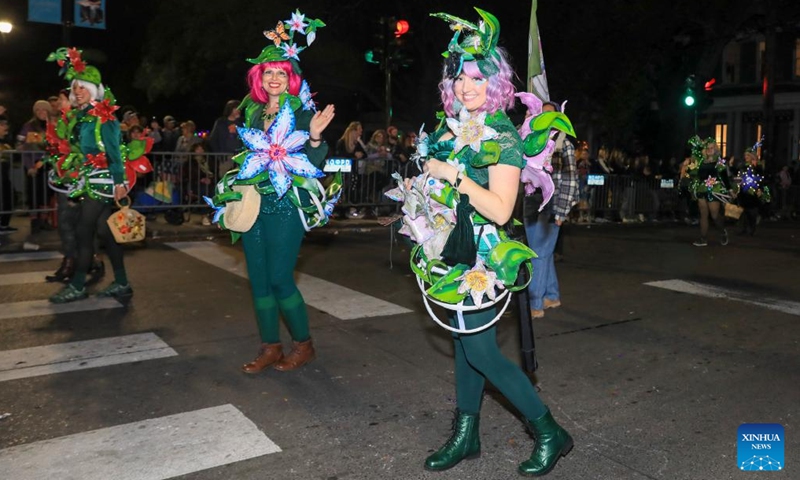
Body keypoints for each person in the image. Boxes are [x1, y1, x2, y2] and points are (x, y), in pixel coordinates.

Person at [399, 9, 573, 476]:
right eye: (458, 77)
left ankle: (549, 431)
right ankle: (467, 433)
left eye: (476, 77)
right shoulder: (451, 128)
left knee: (480, 351)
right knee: (462, 345)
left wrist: (454, 176)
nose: (465, 86)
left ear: (494, 83)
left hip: (485, 255)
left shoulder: (499, 136)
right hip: (449, 249)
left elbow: (499, 210)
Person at [205, 11, 336, 373]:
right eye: (269, 72)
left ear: (290, 78)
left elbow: (314, 160)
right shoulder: (252, 111)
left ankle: (304, 344)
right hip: (253, 202)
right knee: (259, 280)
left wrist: (314, 136)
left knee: (279, 278)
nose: (275, 77)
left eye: (282, 72)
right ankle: (270, 347)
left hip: (285, 203)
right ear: (259, 77)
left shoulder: (301, 110)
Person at [44, 47, 138, 303]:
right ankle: (122, 283)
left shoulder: (103, 117)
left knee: (84, 231)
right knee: (105, 232)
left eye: (82, 87)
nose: (77, 91)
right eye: (75, 87)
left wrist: (120, 182)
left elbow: (115, 152)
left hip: (104, 182)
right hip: (91, 179)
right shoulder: (83, 117)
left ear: (94, 89)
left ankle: (77, 285)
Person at [686, 137, 730, 246]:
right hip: (701, 188)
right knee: (703, 215)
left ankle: (722, 231)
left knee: (714, 216)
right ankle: (703, 238)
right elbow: (693, 172)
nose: (710, 150)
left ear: (715, 149)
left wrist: (729, 189)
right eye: (708, 148)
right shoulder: (700, 160)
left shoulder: (719, 161)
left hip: (713, 188)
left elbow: (724, 176)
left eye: (712, 148)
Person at [335, 121, 367, 217]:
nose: (361, 131)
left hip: (354, 171)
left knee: (353, 188)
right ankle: (340, 210)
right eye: (359, 129)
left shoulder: (357, 143)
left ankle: (350, 207)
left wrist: (360, 154)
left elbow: (365, 154)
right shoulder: (342, 142)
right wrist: (353, 155)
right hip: (343, 171)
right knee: (343, 189)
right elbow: (340, 155)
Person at [737, 146, 770, 235]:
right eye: (745, 155)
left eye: (748, 155)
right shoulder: (743, 165)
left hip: (753, 190)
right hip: (743, 190)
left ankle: (751, 228)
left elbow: (760, 177)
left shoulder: (757, 165)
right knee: (744, 210)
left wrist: (759, 188)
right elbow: (739, 175)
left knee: (751, 210)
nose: (746, 157)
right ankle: (744, 228)